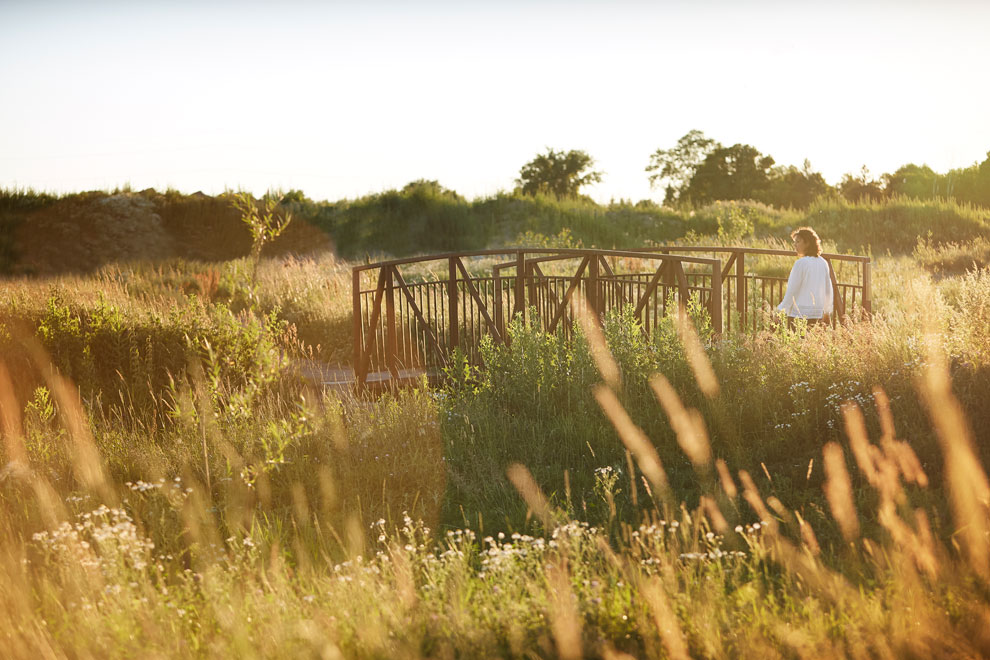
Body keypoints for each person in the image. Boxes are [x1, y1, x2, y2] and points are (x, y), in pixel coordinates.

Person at [776, 227, 833, 328]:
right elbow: (828, 290)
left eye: (798, 242)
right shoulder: (823, 262)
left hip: (798, 315)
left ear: (807, 243)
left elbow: (792, 291)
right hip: (817, 314)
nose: (795, 245)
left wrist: (781, 310)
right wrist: (827, 311)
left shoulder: (800, 263)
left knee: (795, 342)